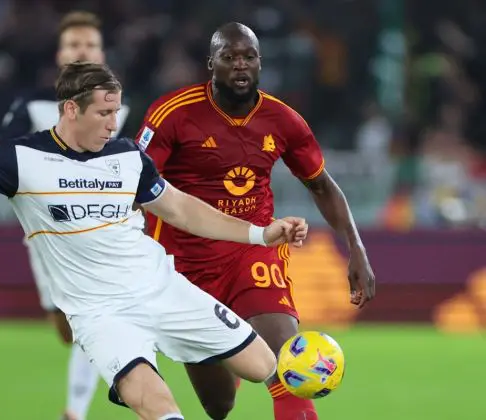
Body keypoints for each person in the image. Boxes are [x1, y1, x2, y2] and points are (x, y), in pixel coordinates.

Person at [0, 62, 310, 420]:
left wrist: (260, 233)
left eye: (117, 112)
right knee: (159, 408)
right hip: (100, 315)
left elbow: (182, 209)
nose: (114, 123)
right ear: (70, 110)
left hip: (163, 290)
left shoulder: (128, 156)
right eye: (104, 113)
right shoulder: (20, 160)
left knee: (265, 367)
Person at [136, 22, 376, 420]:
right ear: (211, 63)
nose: (240, 65)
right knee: (218, 405)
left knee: (289, 366)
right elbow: (137, 184)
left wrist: (357, 248)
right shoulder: (173, 113)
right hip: (185, 265)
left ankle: (257, 357)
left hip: (255, 250)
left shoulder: (283, 120)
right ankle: (233, 349)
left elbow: (322, 186)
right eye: (229, 58)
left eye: (248, 57)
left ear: (260, 63)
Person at [0, 11, 129, 420]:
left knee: (92, 316)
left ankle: (75, 411)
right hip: (46, 234)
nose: (81, 50)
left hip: (103, 231)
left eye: (89, 44)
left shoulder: (125, 105)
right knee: (67, 328)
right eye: (73, 44)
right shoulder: (33, 104)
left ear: (102, 53)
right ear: (60, 53)